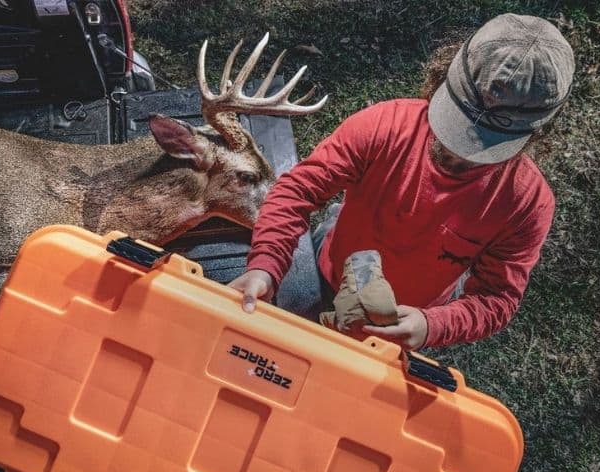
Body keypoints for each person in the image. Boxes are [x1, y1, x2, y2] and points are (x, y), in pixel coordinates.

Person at [228, 13, 575, 349]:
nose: (460, 155)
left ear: (536, 133)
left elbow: (496, 298)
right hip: (327, 267)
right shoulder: (384, 126)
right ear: (442, 77)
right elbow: (297, 191)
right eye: (454, 127)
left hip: (410, 314)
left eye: (487, 147)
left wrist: (431, 325)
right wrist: (265, 267)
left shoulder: (526, 204)